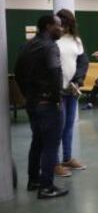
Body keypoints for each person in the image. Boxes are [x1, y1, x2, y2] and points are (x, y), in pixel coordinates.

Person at [14, 15, 69, 199]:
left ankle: (34, 180)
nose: (61, 29)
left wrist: (27, 95)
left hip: (32, 104)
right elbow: (55, 73)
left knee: (37, 142)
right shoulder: (50, 46)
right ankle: (46, 187)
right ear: (48, 26)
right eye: (59, 26)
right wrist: (55, 99)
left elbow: (17, 73)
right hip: (48, 105)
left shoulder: (27, 45)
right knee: (50, 146)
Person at [54, 9, 89, 177]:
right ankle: (54, 163)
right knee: (57, 128)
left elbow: (83, 61)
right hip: (57, 91)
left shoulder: (77, 40)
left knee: (68, 126)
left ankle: (67, 158)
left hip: (71, 91)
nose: (63, 28)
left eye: (66, 25)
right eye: (61, 25)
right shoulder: (53, 40)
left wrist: (78, 80)